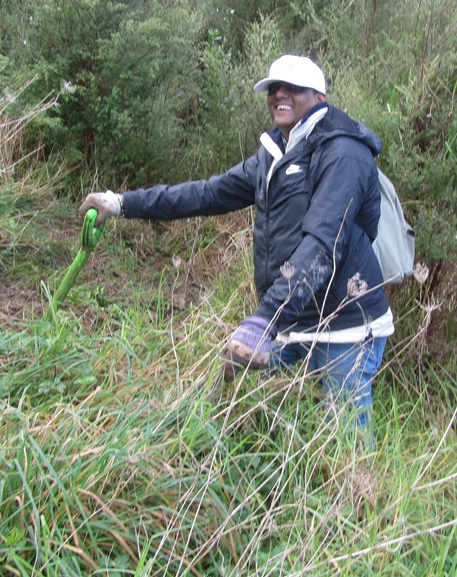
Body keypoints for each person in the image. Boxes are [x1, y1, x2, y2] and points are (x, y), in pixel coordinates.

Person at [79, 55, 394, 434]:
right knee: (239, 401)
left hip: (345, 324)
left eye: (292, 88)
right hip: (292, 318)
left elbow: (322, 245)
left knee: (345, 439)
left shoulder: (343, 153)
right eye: (274, 88)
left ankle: (353, 475)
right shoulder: (274, 152)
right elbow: (207, 194)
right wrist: (122, 203)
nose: (279, 94)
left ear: (319, 97)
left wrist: (265, 317)